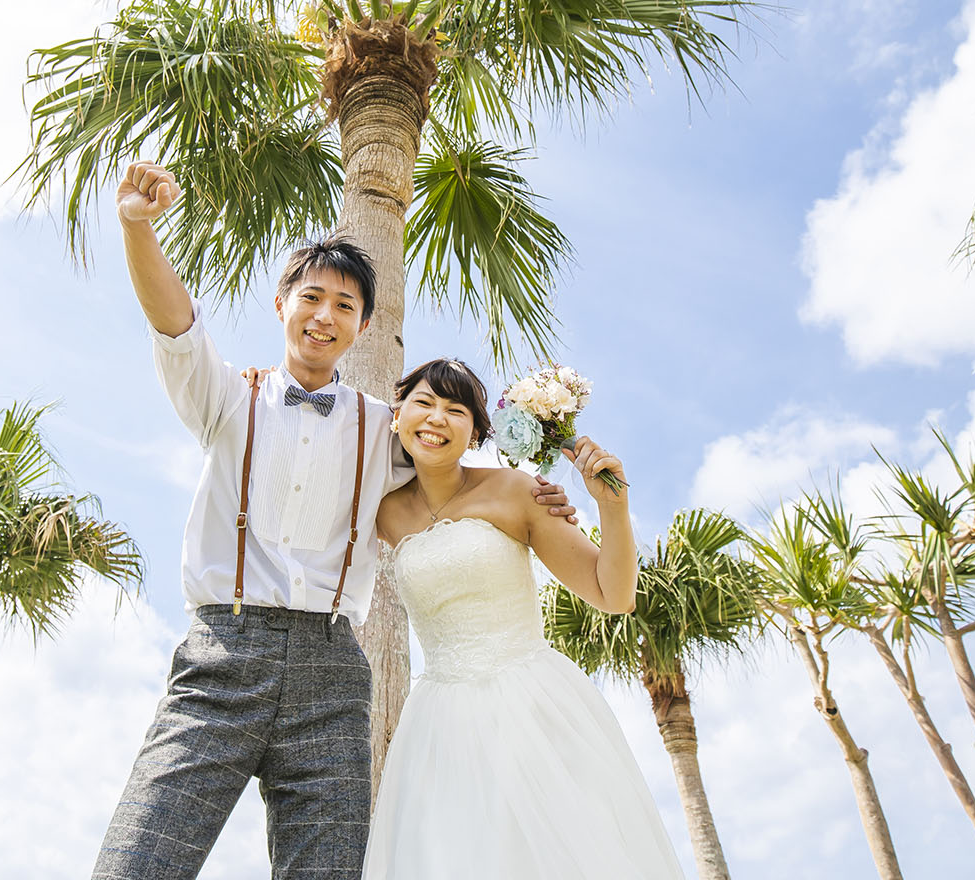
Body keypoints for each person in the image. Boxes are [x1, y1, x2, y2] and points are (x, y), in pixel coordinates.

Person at [92, 161, 576, 880]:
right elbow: (176, 324)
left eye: (345, 305)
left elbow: (458, 472)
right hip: (223, 651)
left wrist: (533, 491)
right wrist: (137, 223)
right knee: (140, 858)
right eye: (311, 297)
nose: (325, 315)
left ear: (364, 324)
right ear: (282, 302)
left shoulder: (388, 429)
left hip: (333, 670)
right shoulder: (227, 397)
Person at [362, 356, 686, 879]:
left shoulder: (518, 490)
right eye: (424, 403)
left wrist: (612, 507)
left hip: (530, 702)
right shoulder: (382, 511)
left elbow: (613, 594)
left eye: (456, 409)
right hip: (438, 724)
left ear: (476, 431)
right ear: (397, 415)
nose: (436, 418)